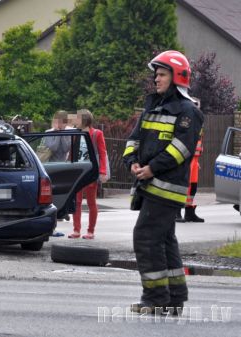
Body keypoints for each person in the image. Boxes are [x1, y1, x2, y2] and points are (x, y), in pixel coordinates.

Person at [123, 50, 203, 315]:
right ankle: (174, 298)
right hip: (150, 185)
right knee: (164, 240)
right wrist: (133, 161)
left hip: (166, 188)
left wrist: (151, 169)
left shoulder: (188, 111)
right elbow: (134, 139)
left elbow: (181, 148)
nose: (155, 79)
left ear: (177, 77)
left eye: (161, 74)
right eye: (155, 74)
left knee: (145, 237)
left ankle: (155, 298)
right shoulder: (153, 106)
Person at [68, 109, 108, 239]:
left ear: (84, 120)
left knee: (91, 202)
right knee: (77, 202)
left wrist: (102, 171)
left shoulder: (97, 134)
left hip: (91, 172)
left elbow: (102, 154)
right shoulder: (75, 134)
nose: (74, 121)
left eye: (77, 118)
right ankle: (76, 230)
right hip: (78, 172)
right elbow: (72, 153)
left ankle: (91, 231)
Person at [176, 98, 204, 222]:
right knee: (182, 186)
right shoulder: (185, 120)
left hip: (194, 161)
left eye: (198, 105)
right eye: (195, 105)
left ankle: (189, 211)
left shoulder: (198, 121)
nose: (197, 107)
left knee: (192, 187)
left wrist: (196, 162)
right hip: (185, 159)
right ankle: (176, 212)